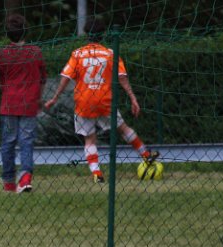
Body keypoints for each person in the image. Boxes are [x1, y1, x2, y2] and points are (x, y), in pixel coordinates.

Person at [44, 19, 157, 184]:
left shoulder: (77, 54)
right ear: (103, 35)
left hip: (84, 102)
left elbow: (65, 77)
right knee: (123, 128)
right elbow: (122, 77)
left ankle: (97, 172)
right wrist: (133, 98)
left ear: (86, 35)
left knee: (89, 138)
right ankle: (146, 155)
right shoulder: (110, 53)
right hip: (104, 100)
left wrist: (54, 97)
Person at [0, 13, 46, 193]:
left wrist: (3, 87)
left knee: (8, 142)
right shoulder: (35, 52)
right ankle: (25, 178)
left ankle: (9, 182)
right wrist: (38, 98)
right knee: (27, 141)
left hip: (9, 105)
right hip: (29, 105)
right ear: (26, 31)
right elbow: (43, 79)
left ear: (7, 34)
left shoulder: (2, 53)